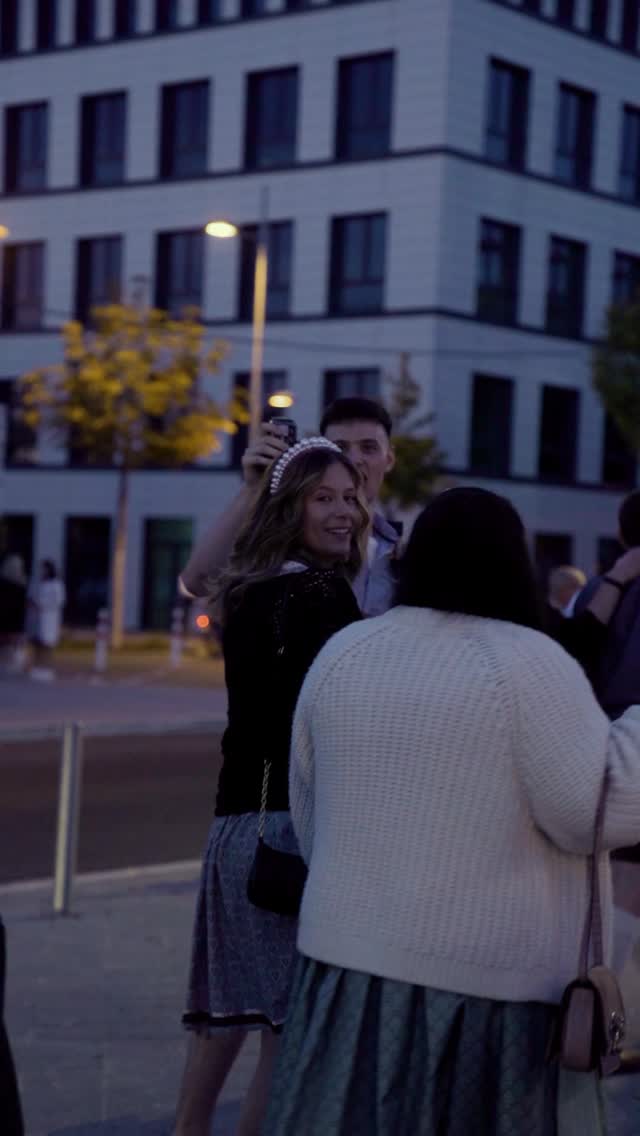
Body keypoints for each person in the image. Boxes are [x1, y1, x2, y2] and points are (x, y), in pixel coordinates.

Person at [264, 488, 640, 1136]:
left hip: (344, 975)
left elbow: (309, 807)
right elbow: (590, 810)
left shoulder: (346, 652)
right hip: (484, 994)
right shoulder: (529, 663)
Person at [173, 439, 367, 1136]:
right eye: (325, 498)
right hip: (292, 833)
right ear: (292, 508)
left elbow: (197, 576)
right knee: (287, 1033)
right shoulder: (322, 591)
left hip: (237, 831)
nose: (345, 511)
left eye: (350, 497)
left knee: (231, 1016)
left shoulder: (250, 590)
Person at [179, 397, 399, 617]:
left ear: (389, 459)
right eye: (340, 447)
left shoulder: (401, 553)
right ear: (323, 456)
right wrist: (253, 488)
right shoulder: (289, 548)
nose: (354, 459)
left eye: (368, 448)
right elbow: (199, 581)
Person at [28, 560, 65, 682]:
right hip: (40, 617)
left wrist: (43, 605)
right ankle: (38, 667)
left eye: (44, 569)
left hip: (50, 617)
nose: (42, 571)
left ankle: (47, 668)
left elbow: (59, 601)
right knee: (39, 643)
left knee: (47, 644)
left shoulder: (56, 584)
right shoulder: (42, 583)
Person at [0, 555, 28, 674]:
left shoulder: (4, 582)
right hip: (16, 618)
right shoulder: (21, 583)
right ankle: (14, 665)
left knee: (6, 641)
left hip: (5, 617)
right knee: (14, 642)